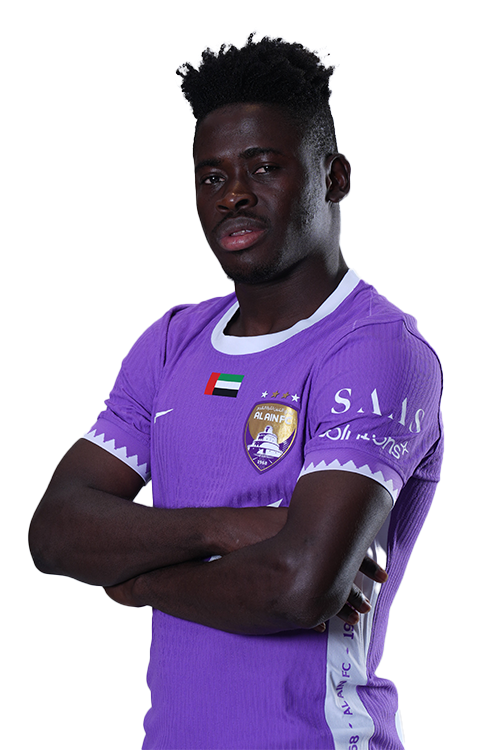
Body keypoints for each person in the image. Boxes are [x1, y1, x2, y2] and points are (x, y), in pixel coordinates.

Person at [28, 28, 445, 749]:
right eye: (211, 176)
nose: (235, 195)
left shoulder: (375, 348)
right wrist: (226, 528)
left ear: (334, 177)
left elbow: (299, 586)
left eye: (265, 167)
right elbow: (56, 531)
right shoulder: (173, 340)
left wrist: (139, 583)